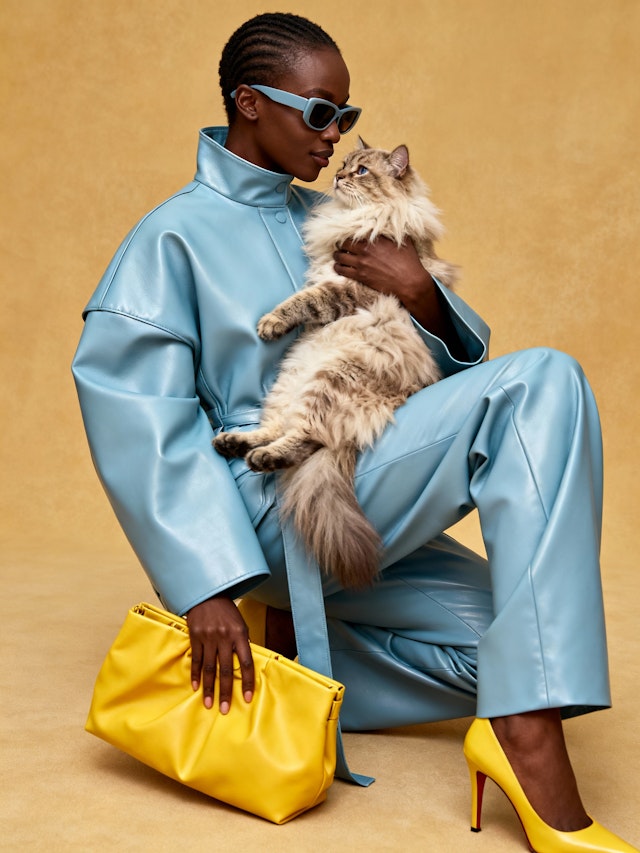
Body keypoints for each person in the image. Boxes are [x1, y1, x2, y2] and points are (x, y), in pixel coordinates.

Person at [72, 12, 636, 852]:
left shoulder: (336, 212)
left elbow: (417, 368)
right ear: (248, 103)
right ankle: (528, 744)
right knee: (543, 380)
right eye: (319, 112)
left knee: (537, 641)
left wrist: (421, 293)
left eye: (347, 115)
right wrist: (205, 586)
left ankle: (304, 655)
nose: (335, 134)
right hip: (267, 504)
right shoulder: (170, 238)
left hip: (363, 484)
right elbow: (138, 417)